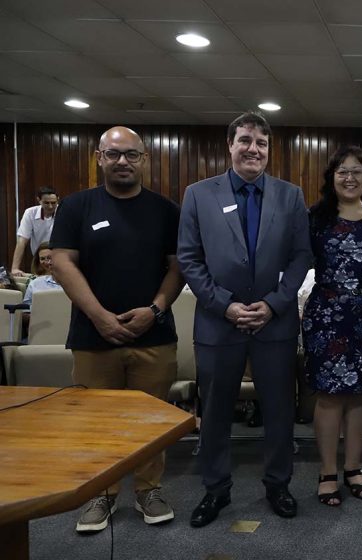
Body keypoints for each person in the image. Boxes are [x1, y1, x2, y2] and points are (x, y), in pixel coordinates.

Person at [178, 112, 311, 527]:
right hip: (220, 323)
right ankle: (215, 490)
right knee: (216, 411)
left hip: (275, 322)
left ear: (269, 150)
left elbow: (300, 257)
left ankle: (278, 484)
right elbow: (189, 258)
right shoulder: (198, 194)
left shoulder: (290, 196)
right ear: (230, 145)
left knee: (278, 410)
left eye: (262, 144)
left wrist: (273, 304)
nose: (254, 149)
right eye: (246, 141)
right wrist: (225, 305)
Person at [50, 126, 183, 533]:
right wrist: (100, 316)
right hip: (94, 336)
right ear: (99, 158)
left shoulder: (165, 210)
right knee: (97, 421)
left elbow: (179, 267)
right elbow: (62, 262)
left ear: (144, 159)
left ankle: (149, 490)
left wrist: (155, 310)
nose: (122, 161)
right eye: (113, 154)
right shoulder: (76, 207)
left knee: (150, 420)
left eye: (130, 154)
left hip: (154, 335)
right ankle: (101, 494)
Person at [302, 146, 362, 506]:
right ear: (331, 177)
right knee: (329, 395)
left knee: (359, 395)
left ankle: (353, 467)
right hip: (326, 313)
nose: (349, 178)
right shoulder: (315, 217)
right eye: (342, 172)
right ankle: (326, 470)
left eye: (357, 172)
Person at [12, 186, 59, 275]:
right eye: (46, 203)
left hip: (58, 258)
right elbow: (22, 241)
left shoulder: (63, 211)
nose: (50, 206)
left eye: (53, 203)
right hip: (39, 260)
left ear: (58, 200)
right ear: (39, 200)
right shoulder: (30, 213)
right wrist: (15, 268)